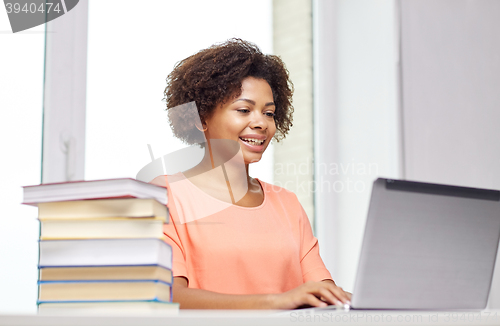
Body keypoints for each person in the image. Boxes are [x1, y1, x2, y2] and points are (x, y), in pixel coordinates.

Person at [150, 38, 351, 309]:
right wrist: (276, 301)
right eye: (244, 110)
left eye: (269, 113)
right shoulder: (166, 195)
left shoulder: (287, 204)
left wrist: (348, 299)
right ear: (201, 118)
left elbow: (321, 291)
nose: (261, 123)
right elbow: (170, 295)